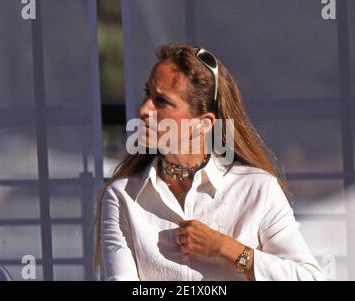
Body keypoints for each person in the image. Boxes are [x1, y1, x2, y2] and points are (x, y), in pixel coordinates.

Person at [95, 42, 324, 281]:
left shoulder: (257, 189)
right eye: (147, 94)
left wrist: (224, 247)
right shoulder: (121, 196)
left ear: (203, 123)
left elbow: (308, 277)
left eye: (161, 101)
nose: (143, 109)